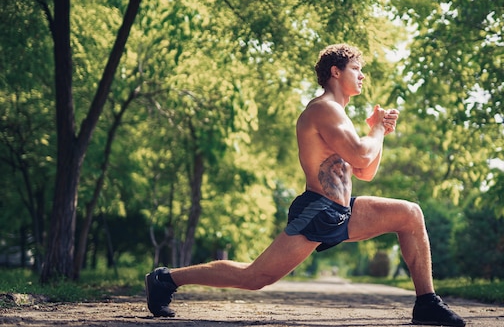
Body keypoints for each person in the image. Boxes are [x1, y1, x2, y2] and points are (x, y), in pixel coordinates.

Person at [145, 43, 466, 327]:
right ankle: (166, 279)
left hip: (342, 211)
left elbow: (364, 170)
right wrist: (378, 130)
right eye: (357, 68)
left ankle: (426, 303)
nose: (362, 75)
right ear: (335, 71)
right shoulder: (324, 109)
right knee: (255, 277)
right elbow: (360, 154)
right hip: (318, 210)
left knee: (410, 215)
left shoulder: (338, 114)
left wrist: (375, 132)